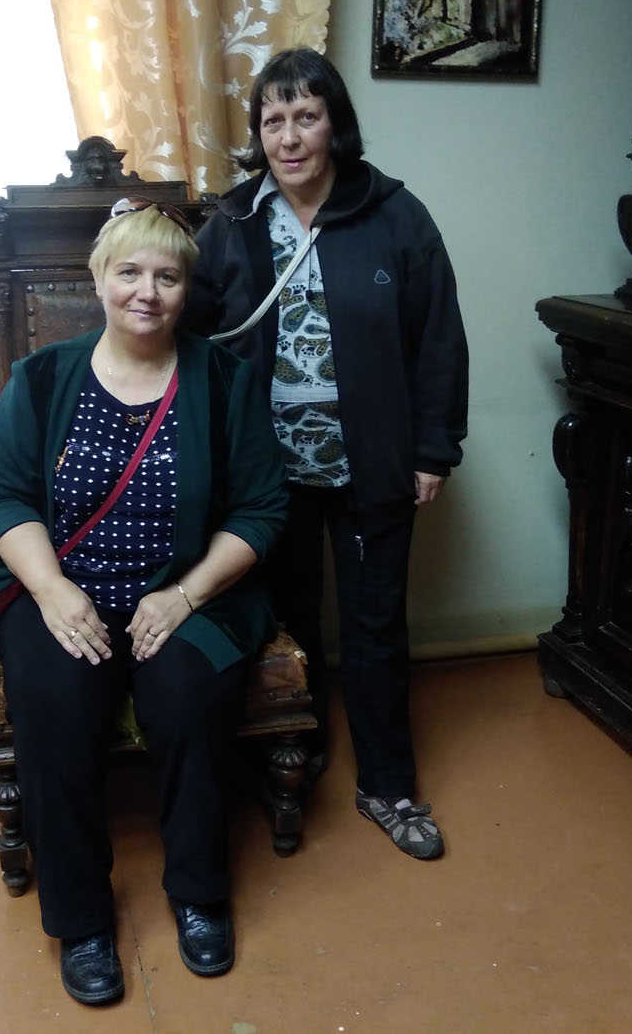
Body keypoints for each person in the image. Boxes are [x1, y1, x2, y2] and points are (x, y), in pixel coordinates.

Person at [0, 198, 287, 1007]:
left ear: (186, 289)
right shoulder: (44, 378)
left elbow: (261, 510)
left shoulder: (226, 383)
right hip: (63, 589)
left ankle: (199, 891)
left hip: (184, 592)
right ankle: (82, 919)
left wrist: (184, 595)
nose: (147, 291)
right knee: (56, 704)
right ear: (98, 278)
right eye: (129, 271)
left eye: (167, 276)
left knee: (190, 697)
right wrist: (51, 589)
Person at [185, 47, 469, 861]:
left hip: (372, 462)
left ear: (334, 123)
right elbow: (188, 325)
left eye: (305, 116)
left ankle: (388, 783)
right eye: (272, 119)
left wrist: (433, 449)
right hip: (269, 477)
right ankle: (296, 755)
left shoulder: (395, 215)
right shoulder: (235, 222)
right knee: (290, 616)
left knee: (376, 623)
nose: (288, 136)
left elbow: (439, 336)